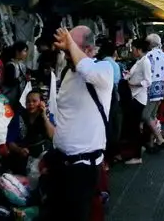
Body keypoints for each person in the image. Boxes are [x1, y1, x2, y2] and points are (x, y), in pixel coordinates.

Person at [48, 26, 113, 221]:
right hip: (60, 162)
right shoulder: (68, 72)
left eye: (72, 46)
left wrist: (70, 44)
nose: (67, 52)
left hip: (83, 167)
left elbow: (87, 70)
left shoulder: (103, 69)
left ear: (90, 49)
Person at [7, 89, 55, 174]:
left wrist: (44, 116)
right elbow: (10, 141)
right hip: (23, 158)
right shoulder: (19, 117)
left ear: (41, 103)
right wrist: (19, 150)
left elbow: (52, 135)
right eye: (28, 102)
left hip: (43, 159)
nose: (31, 104)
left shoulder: (48, 116)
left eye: (34, 101)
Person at [124, 38, 152, 165]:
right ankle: (135, 151)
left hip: (138, 98)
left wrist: (134, 84)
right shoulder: (139, 61)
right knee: (133, 126)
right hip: (135, 97)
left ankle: (137, 155)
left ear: (139, 50)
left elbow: (148, 81)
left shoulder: (144, 62)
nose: (132, 51)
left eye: (133, 49)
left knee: (134, 127)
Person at [143, 34, 164, 149]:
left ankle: (159, 138)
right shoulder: (163, 55)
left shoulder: (149, 55)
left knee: (146, 116)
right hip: (161, 88)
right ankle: (152, 142)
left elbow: (147, 74)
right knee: (153, 115)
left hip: (151, 89)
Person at [4, 41, 29, 107]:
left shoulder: (20, 64)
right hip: (10, 97)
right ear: (17, 52)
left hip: (17, 97)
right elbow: (10, 82)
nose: (26, 53)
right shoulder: (10, 66)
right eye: (24, 51)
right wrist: (22, 78)